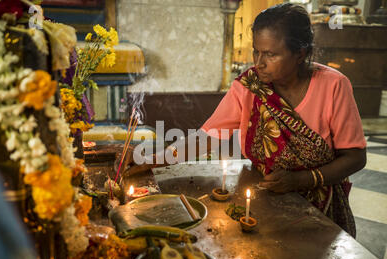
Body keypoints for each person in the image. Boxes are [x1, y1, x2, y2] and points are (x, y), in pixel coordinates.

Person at [124, 3, 366, 238]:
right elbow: (208, 137)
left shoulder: (334, 86)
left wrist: (301, 180)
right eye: (256, 51)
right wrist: (156, 160)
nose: (258, 62)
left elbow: (355, 157)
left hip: (320, 213)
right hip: (265, 200)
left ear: (300, 53)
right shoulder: (250, 86)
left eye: (270, 54)